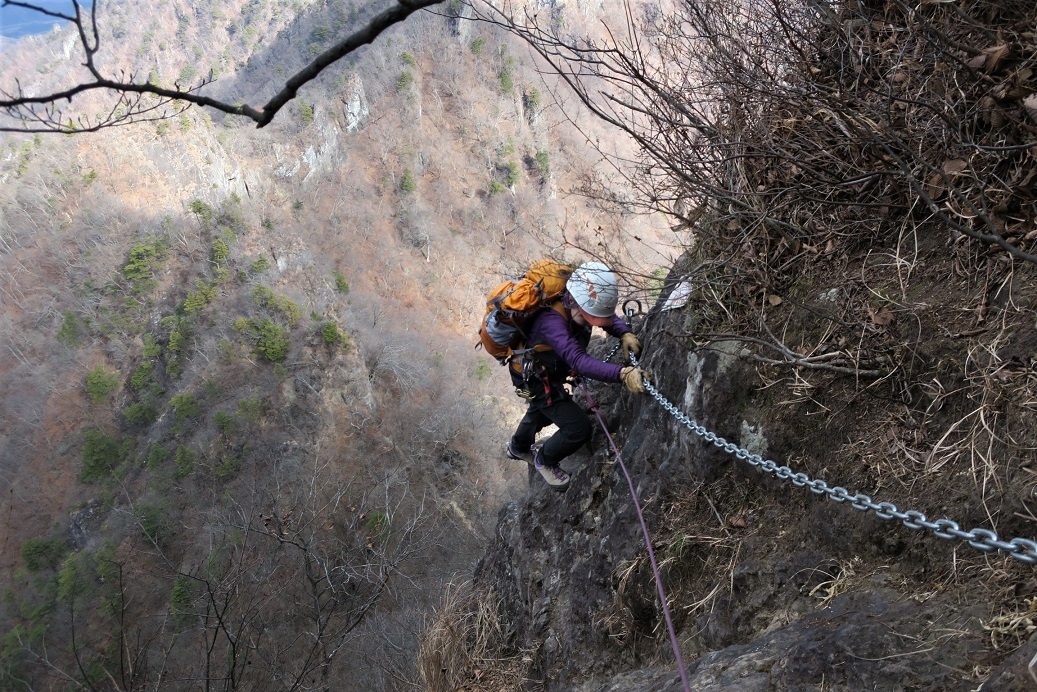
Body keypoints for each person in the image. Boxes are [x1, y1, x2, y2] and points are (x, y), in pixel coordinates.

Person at [505, 261, 649, 490]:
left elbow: (606, 317)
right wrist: (622, 374)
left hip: (540, 373)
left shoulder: (577, 302)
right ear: (573, 302)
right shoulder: (551, 322)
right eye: (585, 318)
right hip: (533, 379)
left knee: (540, 410)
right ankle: (545, 460)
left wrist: (624, 333)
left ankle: (518, 448)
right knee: (578, 428)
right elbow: (578, 360)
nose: (588, 323)